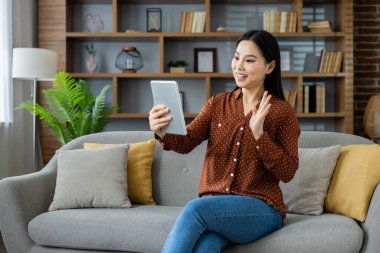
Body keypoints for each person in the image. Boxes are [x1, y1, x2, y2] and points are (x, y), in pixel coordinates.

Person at [149, 29, 301, 253]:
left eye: (249, 60)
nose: (239, 66)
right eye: (236, 57)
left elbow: (288, 172)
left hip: (261, 207)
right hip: (216, 206)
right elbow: (186, 142)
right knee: (206, 246)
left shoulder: (281, 112)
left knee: (194, 210)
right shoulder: (217, 104)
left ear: (269, 67)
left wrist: (260, 136)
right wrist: (162, 131)